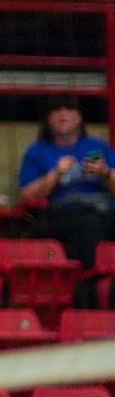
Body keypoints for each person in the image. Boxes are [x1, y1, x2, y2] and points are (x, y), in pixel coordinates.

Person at [17, 94, 115, 268]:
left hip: (104, 210)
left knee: (94, 221)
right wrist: (55, 174)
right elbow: (25, 196)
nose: (63, 115)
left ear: (79, 117)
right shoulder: (37, 151)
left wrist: (104, 172)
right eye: (56, 110)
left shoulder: (98, 146)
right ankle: (89, 285)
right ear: (48, 119)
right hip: (60, 214)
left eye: (69, 109)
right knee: (88, 224)